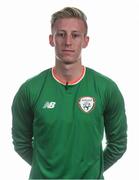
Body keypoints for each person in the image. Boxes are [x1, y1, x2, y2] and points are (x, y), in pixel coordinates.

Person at [12, 7, 127, 179]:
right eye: (61, 34)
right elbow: (21, 143)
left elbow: (118, 144)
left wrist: (92, 170)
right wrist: (46, 168)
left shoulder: (106, 89)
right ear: (51, 39)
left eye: (75, 35)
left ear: (85, 41)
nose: (68, 42)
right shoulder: (30, 90)